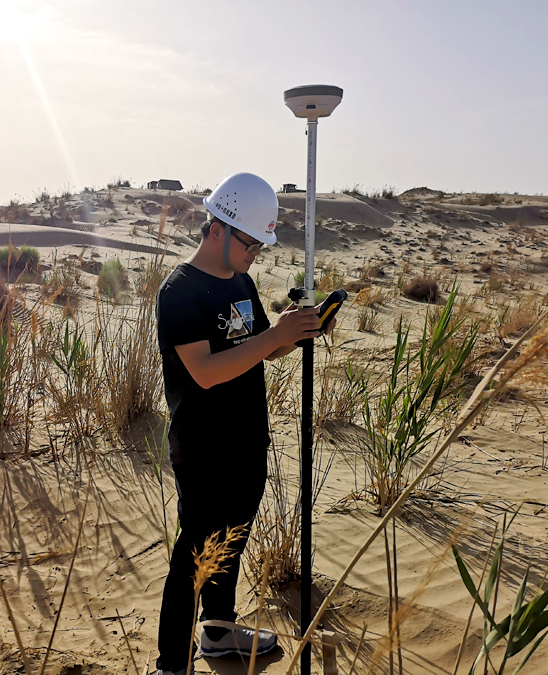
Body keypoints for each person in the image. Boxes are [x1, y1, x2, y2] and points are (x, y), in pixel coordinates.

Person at [154, 172, 327, 675]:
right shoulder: (180, 292)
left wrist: (296, 333)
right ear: (218, 229)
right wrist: (273, 335)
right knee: (194, 554)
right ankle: (172, 664)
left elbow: (255, 354)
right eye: (252, 242)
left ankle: (218, 631)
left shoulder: (243, 282)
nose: (256, 253)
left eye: (261, 245)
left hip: (247, 439)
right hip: (203, 447)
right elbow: (206, 372)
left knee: (232, 537)